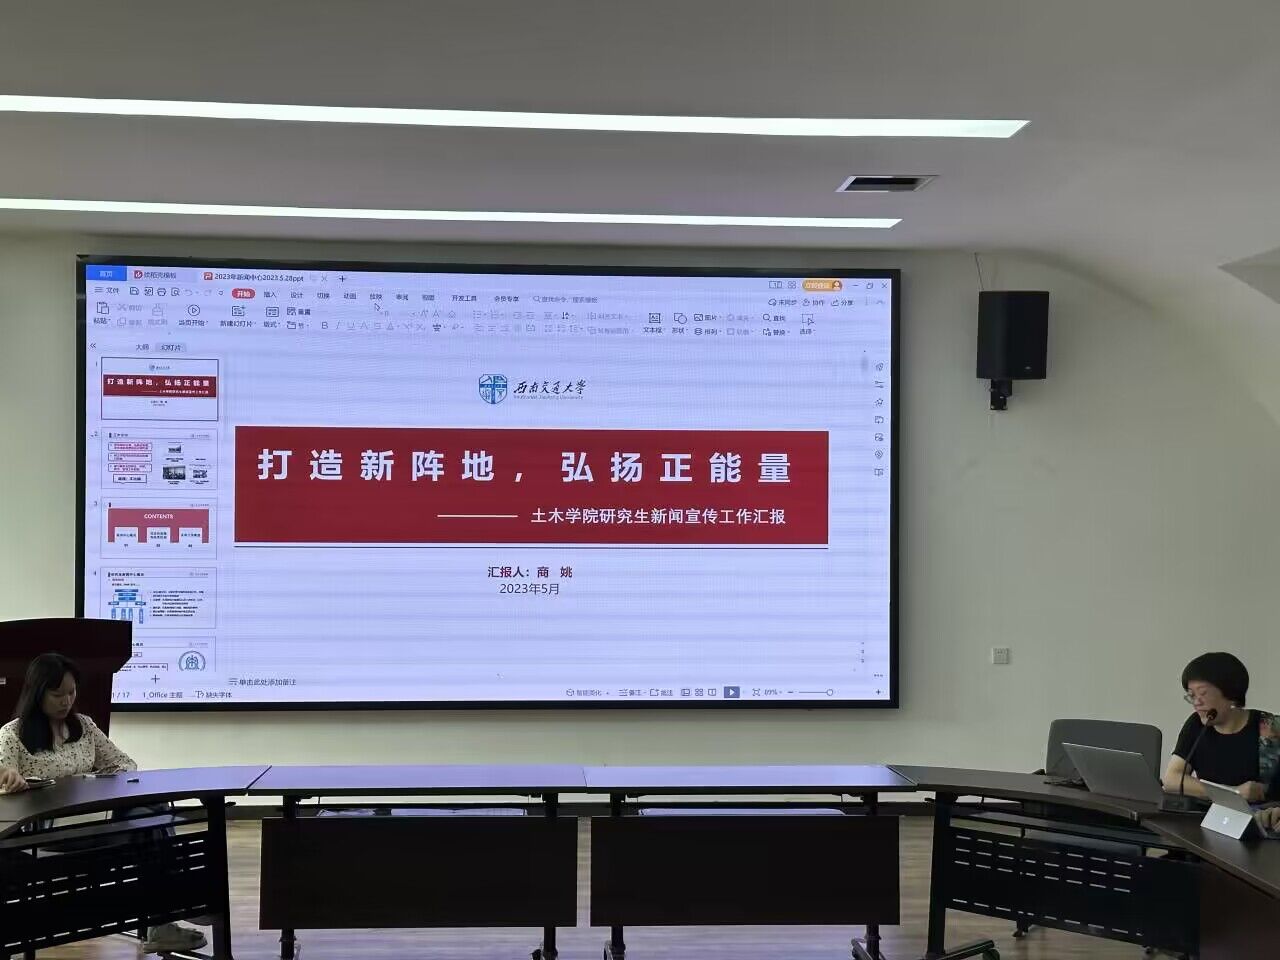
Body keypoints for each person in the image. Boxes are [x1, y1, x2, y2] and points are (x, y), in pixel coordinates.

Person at [0, 652, 208, 954]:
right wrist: (10, 780)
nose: (66, 701)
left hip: (96, 820)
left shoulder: (83, 727)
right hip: (48, 832)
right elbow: (2, 775)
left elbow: (125, 764)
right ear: (37, 693)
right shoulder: (13, 734)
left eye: (71, 692)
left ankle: (172, 909)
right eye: (57, 695)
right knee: (150, 821)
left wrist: (93, 780)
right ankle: (177, 906)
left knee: (151, 815)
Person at [1161, 652, 1280, 802]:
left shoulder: (1271, 727)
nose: (1197, 702)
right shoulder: (1196, 724)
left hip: (1262, 814)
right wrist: (1232, 792)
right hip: (1210, 814)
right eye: (1192, 695)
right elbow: (1171, 779)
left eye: (1203, 693)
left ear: (1230, 693)